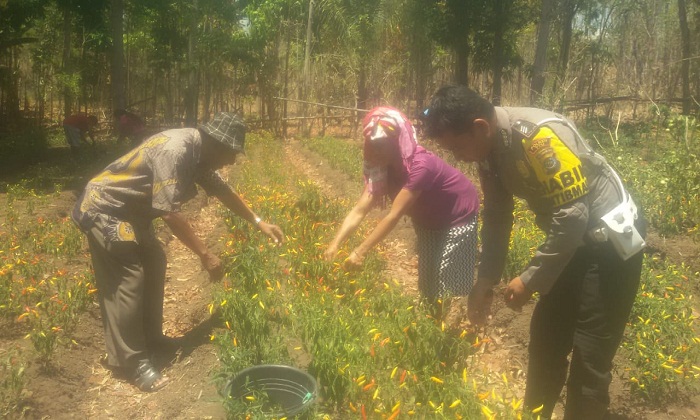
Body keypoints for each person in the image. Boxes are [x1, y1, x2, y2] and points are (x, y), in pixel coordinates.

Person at [424, 85, 646, 419]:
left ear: (480, 127)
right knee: (546, 341)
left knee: (589, 356)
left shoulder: (537, 137)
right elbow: (498, 216)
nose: (457, 157)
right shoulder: (489, 154)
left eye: (456, 146)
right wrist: (486, 278)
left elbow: (573, 216)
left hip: (610, 244)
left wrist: (530, 278)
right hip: (571, 245)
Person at [72, 112, 284, 392]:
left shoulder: (200, 153)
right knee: (130, 278)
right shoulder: (176, 151)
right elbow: (170, 214)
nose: (232, 161)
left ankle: (152, 338)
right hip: (105, 208)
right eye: (231, 152)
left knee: (155, 261)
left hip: (132, 213)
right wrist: (205, 254)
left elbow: (222, 189)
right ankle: (132, 361)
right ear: (216, 143)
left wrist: (259, 222)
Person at [324, 106, 480, 318]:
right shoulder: (383, 169)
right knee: (427, 279)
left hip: (457, 215)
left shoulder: (421, 166)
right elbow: (360, 210)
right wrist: (334, 244)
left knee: (447, 278)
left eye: (381, 144)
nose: (374, 150)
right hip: (428, 220)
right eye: (372, 144)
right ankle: (432, 323)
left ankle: (462, 321)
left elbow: (393, 215)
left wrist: (360, 252)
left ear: (397, 141)